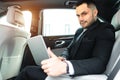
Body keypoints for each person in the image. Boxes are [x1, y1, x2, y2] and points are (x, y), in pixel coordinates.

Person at [15, 0, 115, 80]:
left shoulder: (105, 29)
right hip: (67, 71)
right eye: (78, 15)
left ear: (95, 12)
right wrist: (62, 58)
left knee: (27, 72)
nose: (80, 19)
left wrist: (66, 66)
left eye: (84, 14)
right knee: (28, 69)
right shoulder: (79, 31)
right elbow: (69, 49)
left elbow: (99, 62)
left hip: (77, 73)